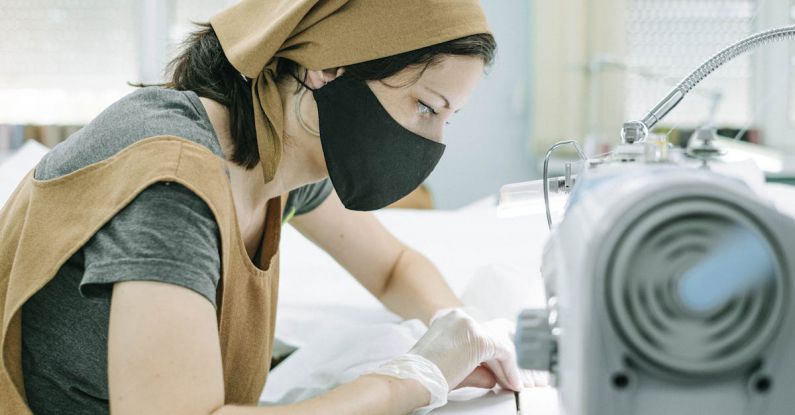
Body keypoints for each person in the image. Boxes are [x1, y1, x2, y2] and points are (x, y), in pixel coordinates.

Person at [0, 1, 527, 414]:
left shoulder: (278, 158)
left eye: (446, 119)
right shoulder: (172, 188)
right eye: (425, 108)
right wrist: (413, 380)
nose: (432, 141)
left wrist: (468, 331)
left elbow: (393, 268)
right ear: (329, 67)